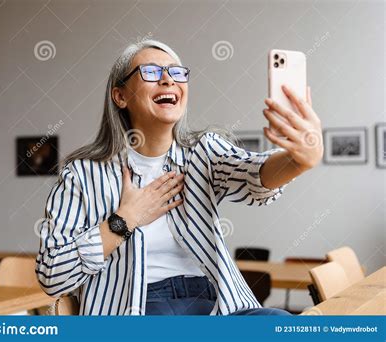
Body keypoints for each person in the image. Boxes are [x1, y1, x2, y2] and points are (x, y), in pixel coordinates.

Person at [35, 39, 323, 315]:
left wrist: (299, 161)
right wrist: (124, 221)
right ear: (120, 96)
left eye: (176, 72)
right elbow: (52, 276)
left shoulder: (204, 152)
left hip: (216, 304)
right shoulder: (83, 175)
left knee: (281, 324)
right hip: (140, 309)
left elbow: (253, 175)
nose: (168, 79)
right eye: (151, 72)